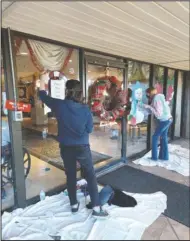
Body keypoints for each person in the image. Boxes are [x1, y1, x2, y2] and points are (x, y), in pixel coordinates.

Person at [39, 73, 108, 217]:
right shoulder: (85, 110)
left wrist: (42, 80)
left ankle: (74, 205)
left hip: (66, 147)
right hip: (82, 147)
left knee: (70, 175)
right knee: (90, 175)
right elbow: (89, 129)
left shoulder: (59, 105)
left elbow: (42, 96)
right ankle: (96, 208)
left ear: (66, 91)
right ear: (80, 93)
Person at [143, 87, 173, 161]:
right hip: (169, 119)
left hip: (164, 120)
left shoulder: (156, 99)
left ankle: (154, 157)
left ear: (150, 93)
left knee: (155, 137)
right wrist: (149, 107)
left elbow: (158, 114)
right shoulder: (160, 97)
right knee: (163, 137)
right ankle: (164, 157)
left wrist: (149, 107)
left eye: (148, 94)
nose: (147, 96)